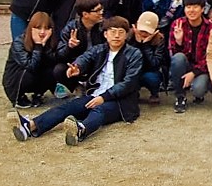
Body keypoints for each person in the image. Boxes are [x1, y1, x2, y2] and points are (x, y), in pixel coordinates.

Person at [11, 16, 142, 146]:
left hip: (120, 101)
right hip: (95, 94)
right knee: (68, 107)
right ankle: (30, 126)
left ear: (126, 35)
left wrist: (104, 97)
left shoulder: (134, 54)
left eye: (121, 32)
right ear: (105, 34)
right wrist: (77, 67)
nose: (117, 36)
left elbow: (129, 83)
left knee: (99, 110)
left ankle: (80, 130)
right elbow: (86, 57)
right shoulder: (100, 49)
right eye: (113, 32)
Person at [2, 11, 58, 108]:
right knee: (29, 74)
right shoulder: (19, 42)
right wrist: (38, 46)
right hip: (17, 77)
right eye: (38, 28)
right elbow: (30, 65)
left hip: (36, 73)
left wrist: (45, 47)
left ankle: (38, 93)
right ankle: (19, 96)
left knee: (52, 70)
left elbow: (53, 61)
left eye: (46, 28)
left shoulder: (50, 41)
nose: (42, 32)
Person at [169, 0, 212, 113]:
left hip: (201, 68)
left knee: (198, 89)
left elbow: (211, 56)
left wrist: (194, 73)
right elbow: (173, 55)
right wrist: (179, 42)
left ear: (202, 9)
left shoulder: (211, 28)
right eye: (188, 7)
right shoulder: (178, 24)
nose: (191, 10)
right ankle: (180, 97)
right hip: (184, 64)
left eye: (195, 7)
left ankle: (198, 93)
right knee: (178, 58)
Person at [53, 0, 105, 97]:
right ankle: (77, 87)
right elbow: (59, 55)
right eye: (97, 10)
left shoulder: (103, 27)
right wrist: (69, 47)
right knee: (59, 70)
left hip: (97, 63)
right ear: (85, 14)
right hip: (76, 63)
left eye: (101, 8)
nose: (101, 12)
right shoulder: (71, 28)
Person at [128, 11, 168, 104]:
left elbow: (155, 64)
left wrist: (145, 46)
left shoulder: (159, 40)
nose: (144, 33)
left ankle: (154, 93)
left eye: (147, 31)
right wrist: (136, 43)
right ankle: (132, 92)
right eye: (142, 30)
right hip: (131, 71)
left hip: (149, 71)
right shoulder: (128, 37)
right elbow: (126, 59)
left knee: (151, 77)